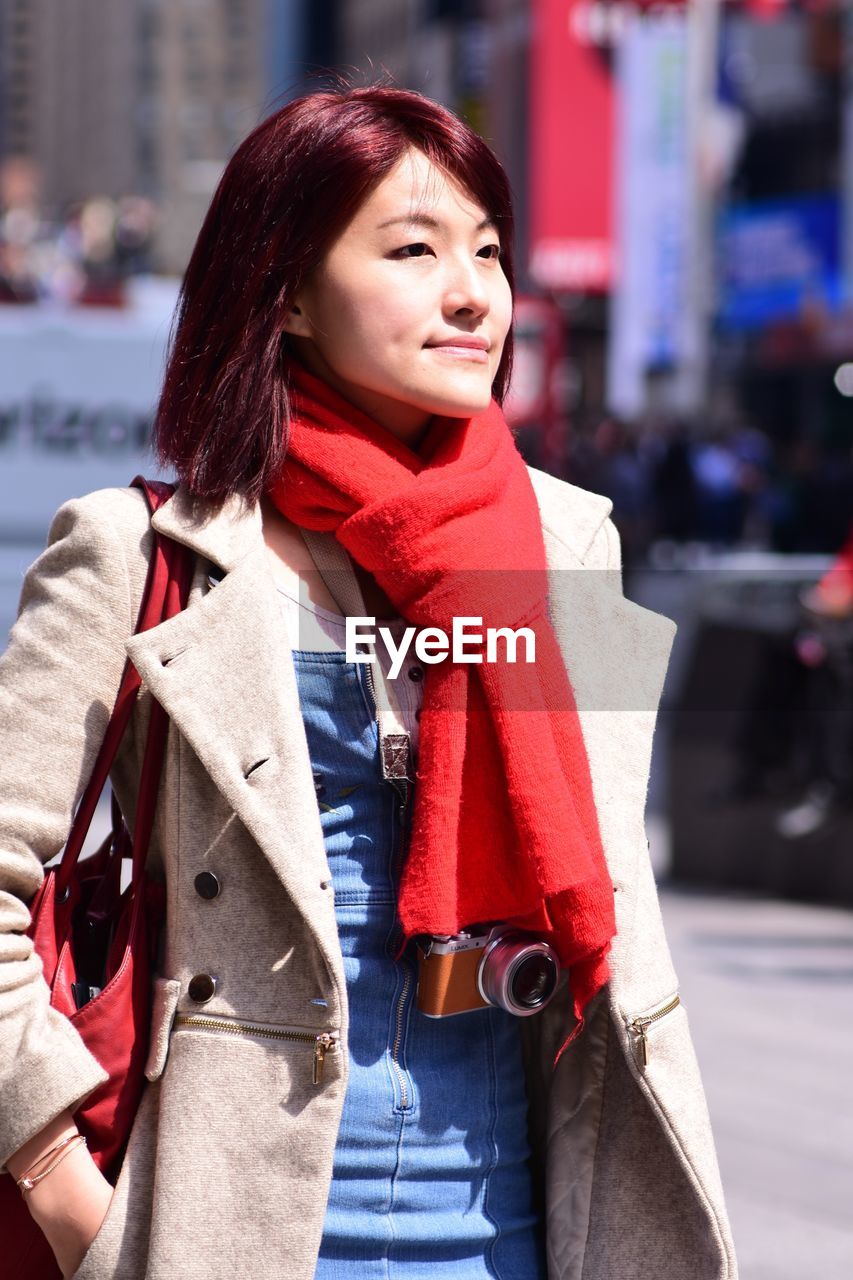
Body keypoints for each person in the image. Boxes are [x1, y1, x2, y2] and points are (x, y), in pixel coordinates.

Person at [0, 85, 737, 1279]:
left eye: (488, 252)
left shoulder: (570, 544)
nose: (471, 293)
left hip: (519, 1224)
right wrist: (73, 1198)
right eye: (412, 249)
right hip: (226, 1226)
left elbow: (602, 871)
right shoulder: (144, 554)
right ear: (285, 292)